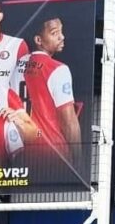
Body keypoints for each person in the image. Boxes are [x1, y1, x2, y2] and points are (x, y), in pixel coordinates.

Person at [19, 16, 82, 159]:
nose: (62, 37)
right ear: (38, 40)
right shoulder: (57, 69)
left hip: (18, 154)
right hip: (52, 153)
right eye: (55, 33)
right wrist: (78, 164)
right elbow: (69, 122)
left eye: (61, 31)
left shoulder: (14, 66)